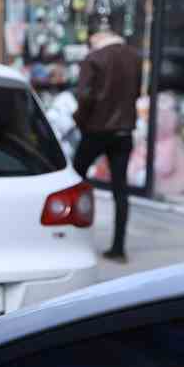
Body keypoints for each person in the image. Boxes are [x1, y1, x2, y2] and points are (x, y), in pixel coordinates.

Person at [72, 17, 143, 264]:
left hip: (96, 129)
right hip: (123, 131)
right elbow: (135, 93)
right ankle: (118, 247)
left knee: (72, 180)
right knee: (120, 190)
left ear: (96, 37)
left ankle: (70, 239)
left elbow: (84, 96)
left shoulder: (94, 59)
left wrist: (79, 121)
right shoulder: (134, 57)